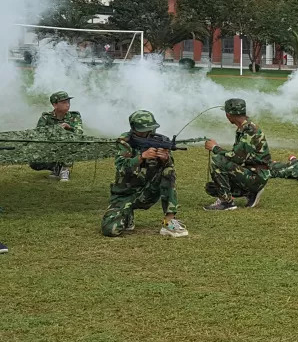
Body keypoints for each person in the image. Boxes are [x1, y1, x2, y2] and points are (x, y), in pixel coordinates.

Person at [101, 110, 187, 238]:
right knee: (110, 230)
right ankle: (127, 215)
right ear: (134, 129)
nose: (147, 133)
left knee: (168, 171)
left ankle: (169, 221)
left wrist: (165, 159)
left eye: (150, 129)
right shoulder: (124, 141)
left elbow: (169, 166)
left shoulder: (160, 140)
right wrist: (141, 157)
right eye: (143, 130)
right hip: (124, 193)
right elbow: (121, 167)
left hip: (148, 191)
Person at [203, 98, 272, 211]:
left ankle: (226, 202)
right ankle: (250, 193)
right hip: (255, 172)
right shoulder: (245, 128)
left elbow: (236, 157)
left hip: (256, 176)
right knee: (213, 187)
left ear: (228, 115)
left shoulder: (249, 130)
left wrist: (215, 148)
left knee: (218, 160)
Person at [31, 90, 83, 181]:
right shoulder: (46, 117)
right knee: (34, 162)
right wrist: (55, 129)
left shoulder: (74, 116)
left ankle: (65, 169)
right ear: (55, 105)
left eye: (68, 102)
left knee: (68, 143)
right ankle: (57, 168)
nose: (67, 104)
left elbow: (79, 133)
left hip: (68, 146)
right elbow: (39, 133)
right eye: (63, 102)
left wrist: (69, 128)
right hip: (50, 147)